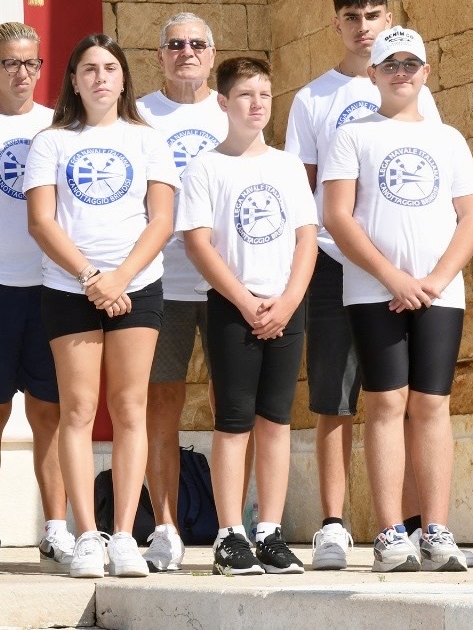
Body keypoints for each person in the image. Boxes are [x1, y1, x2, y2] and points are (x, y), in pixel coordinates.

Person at [283, 0, 445, 570]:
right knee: (335, 395)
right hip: (334, 260)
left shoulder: (416, 91)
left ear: (389, 20)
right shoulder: (313, 98)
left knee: (406, 396)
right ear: (337, 25)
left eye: (373, 15)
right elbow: (300, 188)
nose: (363, 26)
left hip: (407, 271)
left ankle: (410, 525)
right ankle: (333, 524)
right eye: (352, 17)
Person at [321, 26, 473, 573]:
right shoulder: (353, 136)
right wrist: (393, 277)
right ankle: (390, 533)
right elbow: (337, 215)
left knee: (433, 405)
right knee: (387, 403)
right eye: (390, 65)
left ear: (426, 73)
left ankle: (435, 530)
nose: (401, 73)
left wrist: (435, 279)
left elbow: (472, 215)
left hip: (441, 292)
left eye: (410, 64)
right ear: (372, 73)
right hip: (375, 292)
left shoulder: (449, 138)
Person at [25, 34, 178, 580]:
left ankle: (125, 536)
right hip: (71, 289)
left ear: (123, 78)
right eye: (89, 69)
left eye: (110, 68)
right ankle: (87, 535)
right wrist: (91, 277)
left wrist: (120, 278)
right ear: (73, 80)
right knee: (78, 410)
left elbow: (161, 220)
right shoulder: (52, 142)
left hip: (137, 285)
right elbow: (41, 221)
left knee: (131, 407)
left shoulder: (147, 139)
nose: (100, 78)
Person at [178, 57, 316, 576]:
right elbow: (199, 243)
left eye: (264, 94)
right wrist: (243, 300)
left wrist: (289, 300)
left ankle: (270, 532)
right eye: (244, 95)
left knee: (276, 420)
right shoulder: (206, 168)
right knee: (234, 421)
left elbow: (306, 238)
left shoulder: (286, 166)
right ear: (223, 102)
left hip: (285, 306)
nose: (257, 104)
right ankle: (230, 534)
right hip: (234, 306)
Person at [0, 21, 71, 573]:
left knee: (51, 413)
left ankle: (56, 528)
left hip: (51, 286)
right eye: (10, 63)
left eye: (32, 63)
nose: (22, 74)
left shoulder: (59, 125)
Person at [135, 12, 227, 572]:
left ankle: (233, 523)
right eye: (175, 44)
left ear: (212, 54)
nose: (186, 52)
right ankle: (165, 527)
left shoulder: (232, 109)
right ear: (160, 55)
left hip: (227, 283)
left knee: (229, 405)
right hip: (160, 280)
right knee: (161, 404)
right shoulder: (140, 114)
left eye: (196, 43)